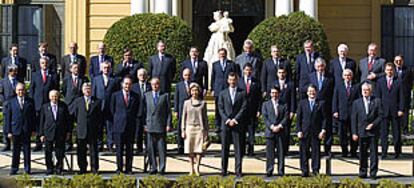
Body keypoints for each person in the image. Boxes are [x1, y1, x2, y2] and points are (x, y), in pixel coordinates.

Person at [218, 72, 247, 177]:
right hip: (225, 125)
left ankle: (238, 171)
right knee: (224, 149)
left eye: (234, 79)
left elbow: (244, 107)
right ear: (227, 80)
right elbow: (220, 108)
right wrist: (227, 120)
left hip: (237, 124)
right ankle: (223, 170)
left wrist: (235, 119)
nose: (232, 82)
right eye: (230, 80)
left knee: (238, 149)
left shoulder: (242, 93)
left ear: (237, 80)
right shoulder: (222, 93)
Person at [351, 82, 382, 179]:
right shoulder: (356, 103)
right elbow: (353, 118)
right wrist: (354, 132)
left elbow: (381, 116)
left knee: (373, 154)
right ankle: (363, 171)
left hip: (373, 132)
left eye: (367, 90)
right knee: (362, 153)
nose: (365, 92)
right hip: (361, 132)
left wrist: (373, 124)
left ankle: (373, 172)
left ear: (370, 91)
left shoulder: (377, 101)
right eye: (363, 90)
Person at [110, 76, 140, 174]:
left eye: (129, 84)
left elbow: (137, 111)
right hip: (119, 126)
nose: (127, 86)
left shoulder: (135, 96)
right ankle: (119, 168)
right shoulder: (115, 95)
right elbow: (111, 110)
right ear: (122, 84)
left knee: (129, 149)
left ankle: (129, 168)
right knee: (119, 150)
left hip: (130, 126)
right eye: (126, 84)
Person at [5, 83, 36, 175]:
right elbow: (8, 118)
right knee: (15, 150)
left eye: (22, 90)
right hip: (15, 129)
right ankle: (14, 168)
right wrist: (8, 131)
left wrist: (34, 129)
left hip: (26, 129)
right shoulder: (11, 102)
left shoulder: (30, 101)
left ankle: (27, 168)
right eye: (19, 90)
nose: (20, 92)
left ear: (24, 91)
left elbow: (33, 116)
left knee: (27, 150)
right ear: (16, 91)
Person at [29, 57, 59, 152]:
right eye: (42, 63)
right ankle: (38, 143)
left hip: (49, 103)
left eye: (46, 63)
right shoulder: (35, 75)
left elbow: (56, 89)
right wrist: (32, 102)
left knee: (49, 123)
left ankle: (49, 142)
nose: (44, 64)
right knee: (39, 123)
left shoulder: (53, 75)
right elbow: (31, 90)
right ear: (40, 64)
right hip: (38, 103)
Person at [144, 77, 172, 175]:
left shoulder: (165, 96)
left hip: (161, 125)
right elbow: (143, 111)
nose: (155, 86)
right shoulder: (146, 95)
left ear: (159, 85)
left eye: (156, 84)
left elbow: (168, 112)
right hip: (150, 125)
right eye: (153, 84)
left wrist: (168, 124)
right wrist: (144, 124)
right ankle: (153, 167)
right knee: (151, 149)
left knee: (161, 149)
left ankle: (162, 168)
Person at [296, 84, 326, 177]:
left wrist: (323, 130)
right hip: (304, 132)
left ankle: (315, 170)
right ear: (307, 92)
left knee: (316, 152)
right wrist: (299, 130)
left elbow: (325, 118)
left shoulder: (321, 103)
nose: (311, 93)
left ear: (316, 92)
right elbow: (298, 119)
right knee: (303, 152)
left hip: (316, 132)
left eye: (313, 91)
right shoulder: (302, 103)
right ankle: (304, 170)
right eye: (310, 91)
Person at [376, 63, 404, 159]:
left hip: (395, 111)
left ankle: (397, 152)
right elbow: (378, 97)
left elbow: (401, 97)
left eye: (391, 70)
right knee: (384, 134)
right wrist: (379, 110)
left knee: (396, 133)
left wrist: (401, 109)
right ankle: (384, 153)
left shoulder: (399, 81)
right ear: (385, 71)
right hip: (384, 111)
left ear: (394, 70)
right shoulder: (380, 81)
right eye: (387, 70)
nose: (389, 71)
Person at [39, 90, 71, 175]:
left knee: (60, 152)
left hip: (60, 133)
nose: (54, 98)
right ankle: (49, 168)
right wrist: (41, 134)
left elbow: (67, 120)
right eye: (52, 96)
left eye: (56, 96)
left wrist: (68, 132)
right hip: (48, 133)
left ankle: (59, 168)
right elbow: (41, 121)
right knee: (48, 152)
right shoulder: (45, 107)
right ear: (49, 97)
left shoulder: (63, 106)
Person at [73, 83, 102, 174]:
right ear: (82, 90)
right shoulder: (78, 101)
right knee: (81, 151)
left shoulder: (97, 101)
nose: (87, 90)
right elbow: (75, 115)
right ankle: (82, 168)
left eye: (89, 88)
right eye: (85, 88)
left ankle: (94, 168)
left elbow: (100, 117)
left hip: (92, 130)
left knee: (93, 151)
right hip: (81, 130)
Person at [307, 58, 334, 157]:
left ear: (324, 66)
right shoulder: (311, 76)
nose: (320, 68)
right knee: (313, 127)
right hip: (314, 105)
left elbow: (333, 92)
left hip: (326, 105)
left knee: (327, 127)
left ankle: (327, 149)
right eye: (318, 66)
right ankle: (311, 150)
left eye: (321, 66)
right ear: (315, 67)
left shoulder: (330, 77)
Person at [181, 83, 208, 176]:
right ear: (190, 91)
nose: (194, 92)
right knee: (190, 149)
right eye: (193, 90)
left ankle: (197, 167)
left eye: (196, 90)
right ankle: (191, 168)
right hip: (189, 128)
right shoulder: (186, 103)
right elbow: (183, 117)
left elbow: (205, 118)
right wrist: (183, 130)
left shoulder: (203, 103)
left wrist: (206, 131)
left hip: (199, 128)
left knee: (199, 149)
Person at [92, 61, 118, 152]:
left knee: (110, 127)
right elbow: (93, 93)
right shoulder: (96, 79)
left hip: (110, 107)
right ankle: (99, 144)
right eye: (104, 68)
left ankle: (110, 144)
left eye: (108, 68)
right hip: (99, 107)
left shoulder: (114, 80)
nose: (106, 69)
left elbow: (116, 94)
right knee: (99, 127)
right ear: (101, 69)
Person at [332, 69, 360, 157]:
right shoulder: (339, 86)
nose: (347, 77)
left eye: (349, 75)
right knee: (342, 134)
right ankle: (344, 151)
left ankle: (353, 151)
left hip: (353, 114)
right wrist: (335, 110)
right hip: (342, 113)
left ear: (351, 76)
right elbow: (335, 99)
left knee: (353, 133)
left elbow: (358, 100)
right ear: (343, 76)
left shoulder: (356, 86)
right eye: (345, 75)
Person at [62, 63, 89, 151]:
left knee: (80, 125)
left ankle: (79, 142)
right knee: (68, 126)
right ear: (70, 69)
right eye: (74, 68)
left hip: (81, 106)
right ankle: (68, 143)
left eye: (77, 68)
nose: (76, 69)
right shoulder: (66, 79)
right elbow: (64, 90)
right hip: (69, 106)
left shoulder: (84, 79)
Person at [262, 86, 288, 177]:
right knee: (270, 153)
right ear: (270, 94)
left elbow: (286, 117)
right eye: (272, 93)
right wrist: (272, 126)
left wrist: (280, 126)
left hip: (280, 132)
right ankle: (269, 170)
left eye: (276, 93)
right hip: (270, 132)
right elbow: (265, 118)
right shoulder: (265, 104)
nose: (274, 95)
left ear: (279, 94)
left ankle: (281, 170)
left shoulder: (284, 104)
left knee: (281, 153)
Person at [211, 48, 238, 133]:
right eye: (220, 54)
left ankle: (228, 122)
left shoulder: (232, 64)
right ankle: (218, 125)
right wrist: (212, 89)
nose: (222, 55)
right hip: (218, 89)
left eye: (223, 53)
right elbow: (213, 77)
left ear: (226, 54)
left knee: (228, 107)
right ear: (218, 55)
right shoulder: (215, 64)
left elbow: (235, 76)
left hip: (228, 89)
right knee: (218, 108)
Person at [237, 63, 261, 156]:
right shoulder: (239, 82)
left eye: (250, 70)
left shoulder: (256, 82)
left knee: (251, 131)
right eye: (246, 70)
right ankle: (241, 150)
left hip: (252, 110)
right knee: (242, 131)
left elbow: (259, 97)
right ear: (243, 71)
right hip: (241, 111)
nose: (248, 72)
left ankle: (251, 150)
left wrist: (259, 110)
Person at [273, 67, 296, 154]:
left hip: (287, 110)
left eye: (283, 72)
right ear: (277, 74)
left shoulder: (290, 84)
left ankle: (285, 150)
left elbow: (293, 98)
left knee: (286, 130)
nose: (281, 74)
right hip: (277, 109)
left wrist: (292, 111)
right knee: (276, 129)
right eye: (279, 72)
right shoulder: (274, 83)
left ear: (285, 73)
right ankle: (276, 149)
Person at [132, 68, 151, 154]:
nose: (142, 77)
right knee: (138, 131)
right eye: (140, 75)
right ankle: (139, 148)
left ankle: (148, 147)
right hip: (137, 112)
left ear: (146, 76)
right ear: (137, 76)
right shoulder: (134, 86)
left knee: (147, 131)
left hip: (148, 112)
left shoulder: (150, 86)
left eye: (144, 75)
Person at [0, 65, 19, 151]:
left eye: (15, 71)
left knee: (15, 124)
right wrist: (4, 102)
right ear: (8, 71)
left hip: (16, 106)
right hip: (6, 106)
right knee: (6, 125)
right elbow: (1, 93)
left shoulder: (18, 81)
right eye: (11, 70)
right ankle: (6, 143)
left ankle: (15, 144)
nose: (13, 72)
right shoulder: (3, 81)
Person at [393, 55, 413, 134]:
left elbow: (411, 82)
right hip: (394, 95)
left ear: (402, 61)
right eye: (396, 61)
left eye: (400, 61)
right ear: (394, 62)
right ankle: (395, 130)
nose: (398, 62)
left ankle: (405, 130)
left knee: (405, 113)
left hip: (405, 95)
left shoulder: (408, 70)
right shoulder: (392, 70)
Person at [174, 68, 192, 154]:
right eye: (185, 75)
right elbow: (176, 98)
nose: (187, 77)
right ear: (182, 75)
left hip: (191, 110)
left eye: (188, 75)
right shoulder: (179, 85)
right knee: (180, 128)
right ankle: (180, 146)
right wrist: (176, 110)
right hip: (181, 109)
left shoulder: (193, 84)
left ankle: (188, 147)